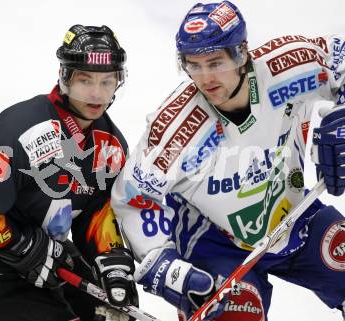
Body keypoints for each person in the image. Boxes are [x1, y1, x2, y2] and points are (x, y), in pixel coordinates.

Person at [111, 1, 345, 320]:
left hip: (294, 215)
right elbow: (135, 200)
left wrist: (342, 118)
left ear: (242, 53)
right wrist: (162, 263)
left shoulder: (288, 66)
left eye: (215, 62)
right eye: (194, 65)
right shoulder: (176, 131)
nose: (205, 77)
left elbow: (339, 58)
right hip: (213, 241)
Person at [0, 24, 138, 321]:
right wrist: (20, 244)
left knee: (118, 313)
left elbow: (96, 213)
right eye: (85, 80)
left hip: (40, 249)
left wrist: (112, 262)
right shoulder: (25, 127)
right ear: (64, 77)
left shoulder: (110, 144)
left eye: (107, 82)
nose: (97, 94)